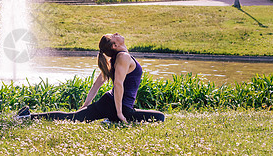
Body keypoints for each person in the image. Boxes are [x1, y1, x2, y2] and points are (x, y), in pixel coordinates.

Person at [15, 33, 165, 123]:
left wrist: (87, 104)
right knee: (160, 118)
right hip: (119, 107)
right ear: (114, 45)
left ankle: (28, 116)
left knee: (74, 118)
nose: (117, 34)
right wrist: (119, 113)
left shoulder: (117, 59)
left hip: (111, 104)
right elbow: (118, 85)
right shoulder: (123, 58)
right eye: (114, 36)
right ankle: (28, 116)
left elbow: (98, 83)